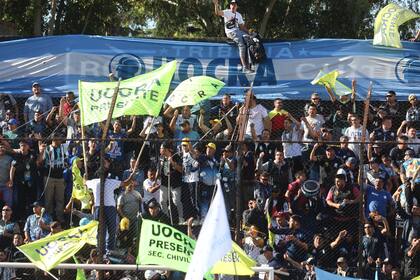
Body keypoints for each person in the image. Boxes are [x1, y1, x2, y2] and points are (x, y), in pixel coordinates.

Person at [85, 157, 133, 253]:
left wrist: (85, 176)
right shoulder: (111, 182)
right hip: (109, 208)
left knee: (100, 230)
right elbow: (126, 183)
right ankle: (109, 249)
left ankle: (100, 249)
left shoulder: (94, 182)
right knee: (111, 229)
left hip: (99, 208)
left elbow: (84, 182)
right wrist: (132, 175)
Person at [213, 0, 252, 73]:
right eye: (231, 4)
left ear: (237, 6)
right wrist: (216, 4)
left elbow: (242, 27)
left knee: (249, 40)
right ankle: (244, 67)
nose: (233, 6)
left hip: (238, 31)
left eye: (234, 5)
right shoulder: (227, 12)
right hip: (231, 32)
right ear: (230, 5)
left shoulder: (239, 15)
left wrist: (249, 33)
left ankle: (249, 65)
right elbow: (217, 13)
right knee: (242, 45)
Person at [37, 134, 67, 223]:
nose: (60, 141)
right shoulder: (47, 149)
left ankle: (60, 218)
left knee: (60, 199)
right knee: (48, 199)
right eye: (58, 139)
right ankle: (48, 218)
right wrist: (41, 151)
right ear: (53, 140)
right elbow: (39, 162)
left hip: (60, 177)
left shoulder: (63, 147)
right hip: (49, 177)